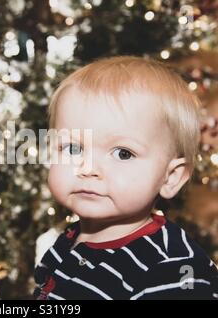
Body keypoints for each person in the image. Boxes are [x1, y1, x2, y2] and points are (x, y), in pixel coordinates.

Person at [34, 56, 218, 300]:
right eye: (73, 149)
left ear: (170, 177)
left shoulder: (172, 268)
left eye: (123, 153)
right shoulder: (69, 239)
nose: (88, 169)